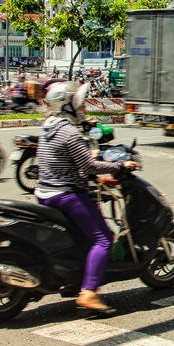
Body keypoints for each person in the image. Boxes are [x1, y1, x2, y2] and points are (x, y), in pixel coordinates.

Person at [35, 81, 138, 315]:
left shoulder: (49, 126)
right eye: (78, 105)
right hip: (65, 194)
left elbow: (69, 156)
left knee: (80, 236)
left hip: (44, 191)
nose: (83, 109)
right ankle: (90, 292)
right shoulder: (69, 131)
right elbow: (89, 166)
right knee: (104, 238)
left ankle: (74, 278)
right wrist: (119, 165)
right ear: (68, 105)